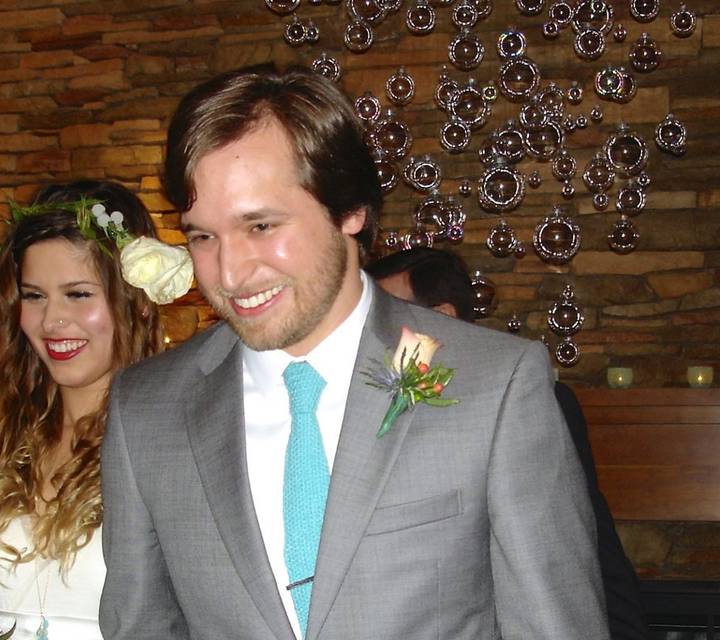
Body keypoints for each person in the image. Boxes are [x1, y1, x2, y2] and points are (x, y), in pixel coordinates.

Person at [99, 63, 609, 640]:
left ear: (350, 211)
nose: (230, 273)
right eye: (202, 236)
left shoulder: (496, 386)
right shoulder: (145, 411)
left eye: (261, 225)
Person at [0, 180, 191, 640]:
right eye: (34, 296)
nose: (52, 321)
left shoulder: (176, 457)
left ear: (138, 305)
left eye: (78, 294)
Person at [365, 246, 649, 640]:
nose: (376, 332)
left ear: (441, 319)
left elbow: (577, 554)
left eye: (393, 314)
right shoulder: (367, 411)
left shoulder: (529, 399)